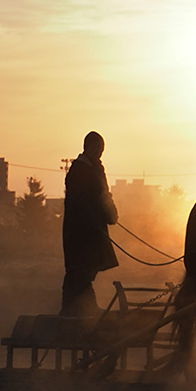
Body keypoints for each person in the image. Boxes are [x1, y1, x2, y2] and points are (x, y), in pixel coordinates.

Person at [60, 131, 119, 317]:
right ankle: (77, 310)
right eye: (98, 149)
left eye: (102, 150)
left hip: (94, 230)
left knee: (86, 269)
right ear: (88, 147)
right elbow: (78, 202)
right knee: (80, 268)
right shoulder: (78, 171)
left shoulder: (97, 169)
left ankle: (77, 309)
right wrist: (94, 220)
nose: (100, 154)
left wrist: (111, 214)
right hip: (80, 232)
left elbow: (104, 194)